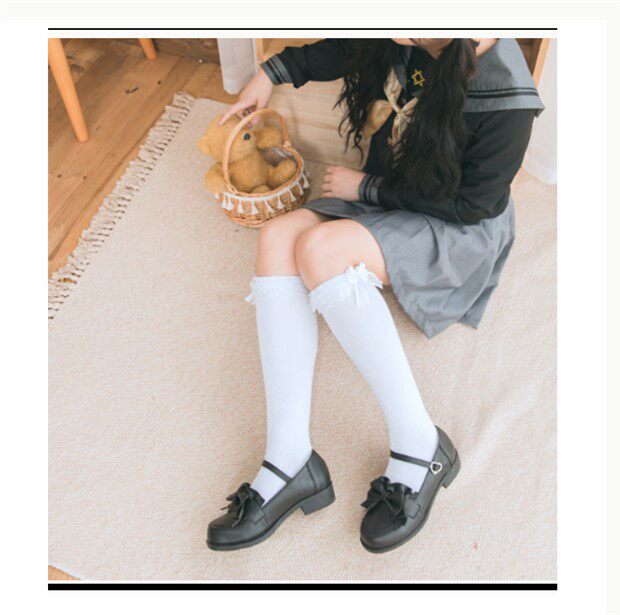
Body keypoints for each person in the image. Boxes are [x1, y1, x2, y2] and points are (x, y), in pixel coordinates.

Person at [206, 38, 544, 553]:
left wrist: (365, 189)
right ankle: (289, 458)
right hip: (396, 187)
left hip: (454, 224)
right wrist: (269, 73)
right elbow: (346, 47)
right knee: (277, 238)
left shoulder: (508, 98)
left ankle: (421, 443)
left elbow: (472, 204)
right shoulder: (412, 32)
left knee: (320, 251)